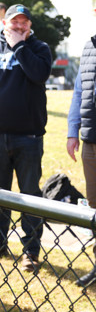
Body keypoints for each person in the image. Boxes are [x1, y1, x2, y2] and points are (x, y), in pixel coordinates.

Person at [0, 4, 51, 273]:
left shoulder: (39, 49)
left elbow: (38, 74)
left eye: (24, 23)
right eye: (14, 22)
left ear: (29, 26)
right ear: (4, 23)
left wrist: (19, 46)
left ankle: (31, 250)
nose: (18, 27)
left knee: (30, 195)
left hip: (28, 137)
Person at [67, 34, 96, 287]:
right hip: (90, 141)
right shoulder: (88, 46)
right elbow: (79, 92)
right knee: (95, 203)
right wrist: (72, 131)